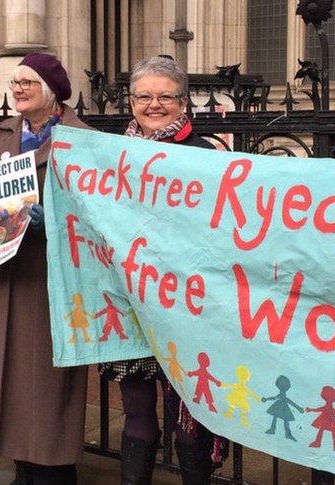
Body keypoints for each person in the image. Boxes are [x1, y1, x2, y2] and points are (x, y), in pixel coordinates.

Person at [99, 55, 226, 485]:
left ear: (183, 102)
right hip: (130, 298)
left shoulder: (205, 155)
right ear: (130, 101)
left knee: (190, 416)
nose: (154, 104)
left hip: (186, 304)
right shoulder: (112, 155)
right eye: (144, 96)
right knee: (136, 410)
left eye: (166, 96)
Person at [0, 53, 92, 484]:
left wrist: (52, 222)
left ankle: (55, 469)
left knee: (47, 381)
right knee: (9, 375)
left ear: (53, 90)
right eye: (14, 82)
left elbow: (94, 215)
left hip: (49, 279)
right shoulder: (2, 134)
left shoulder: (82, 140)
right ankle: (22, 466)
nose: (17, 89)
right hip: (2, 274)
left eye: (28, 82)